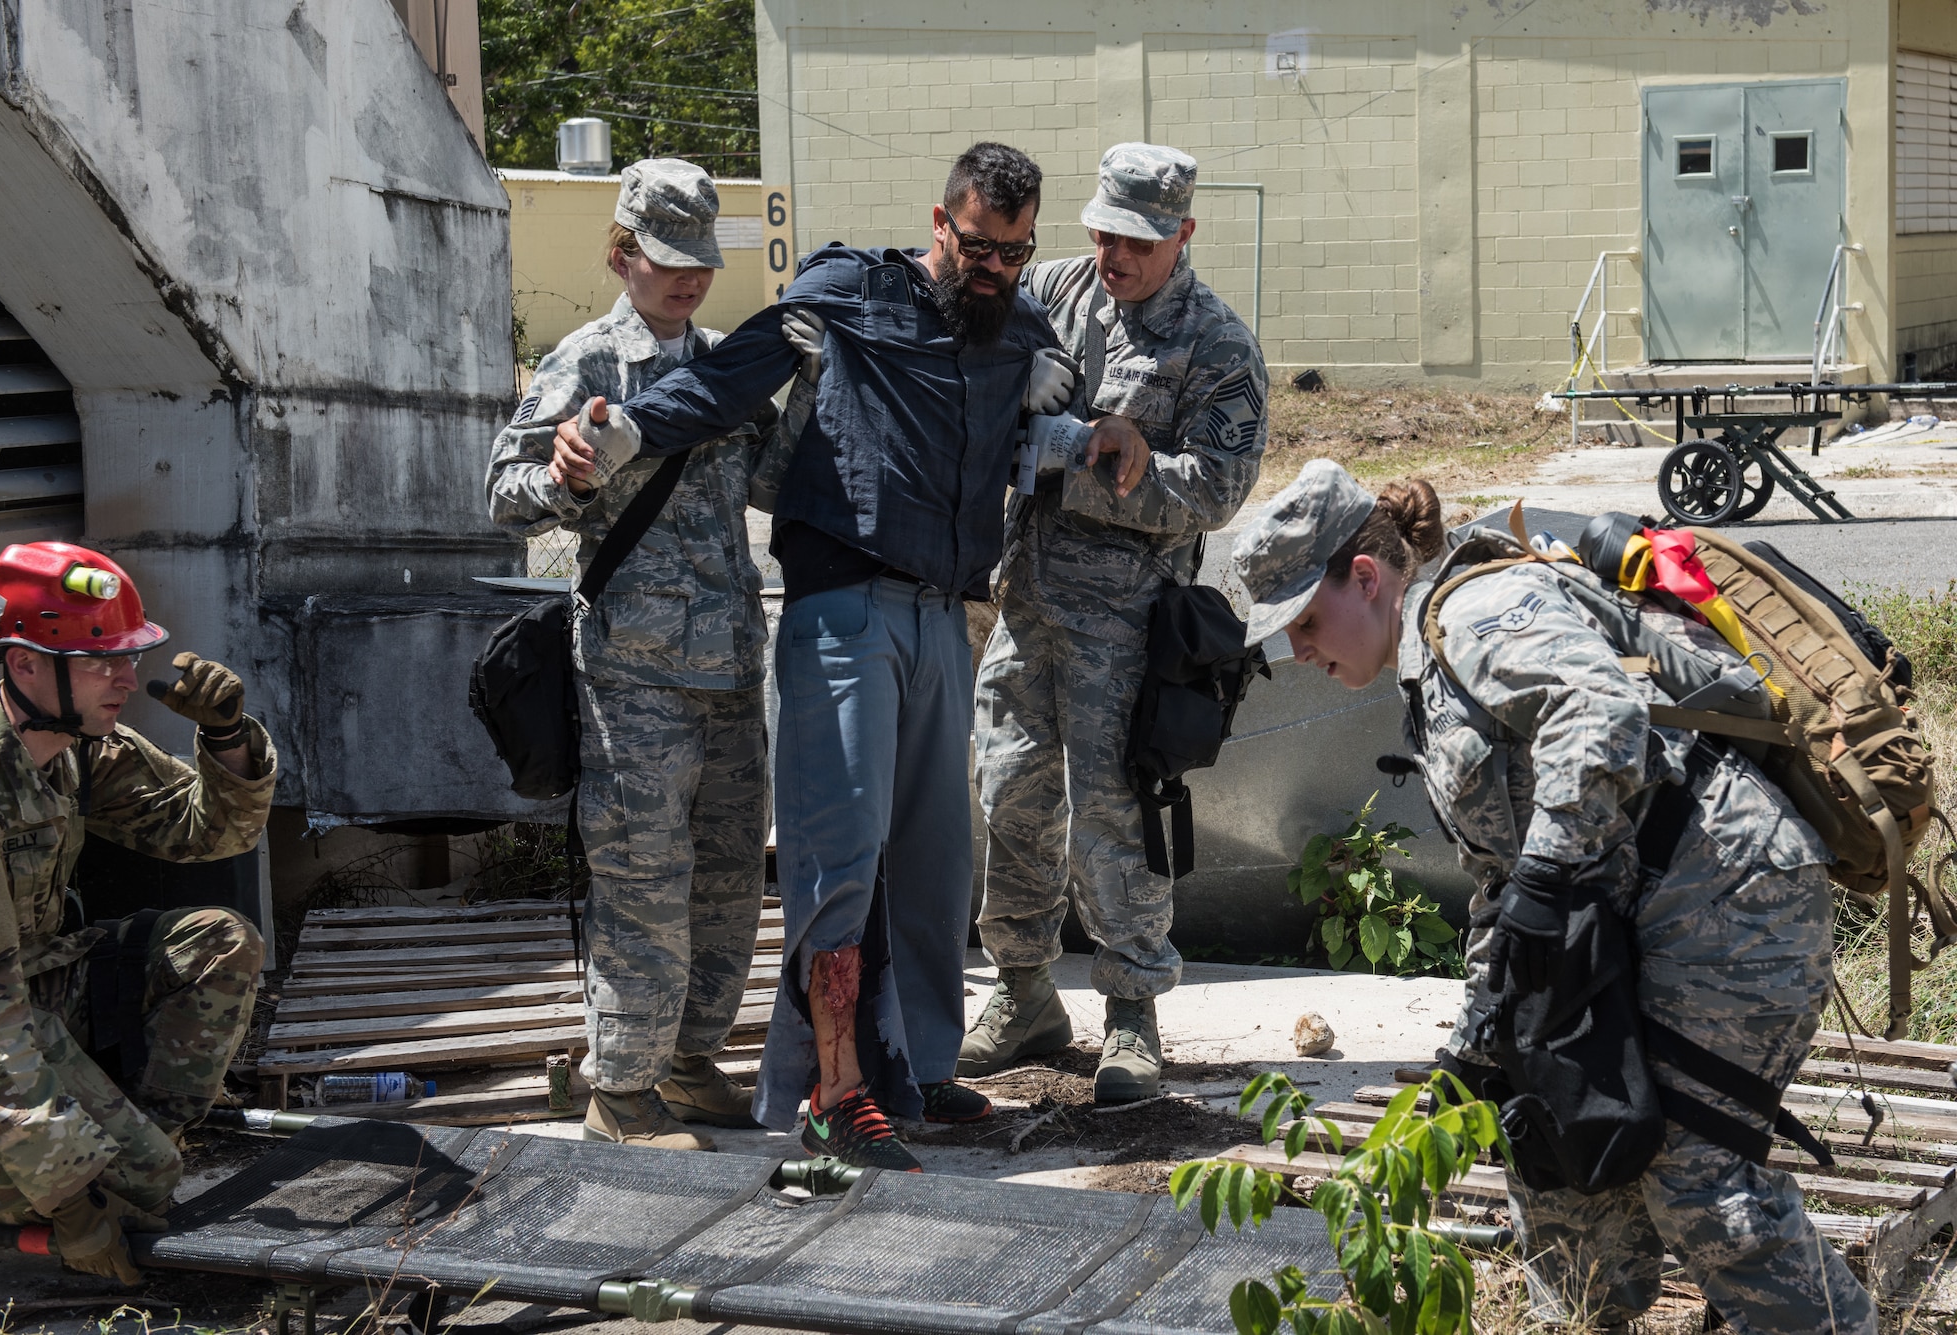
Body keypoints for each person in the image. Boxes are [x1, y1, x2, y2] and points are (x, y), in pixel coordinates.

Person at [560, 141, 1149, 1170]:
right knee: (839, 859)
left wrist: (1098, 427)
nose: (993, 269)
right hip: (841, 613)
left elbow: (1048, 434)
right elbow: (729, 380)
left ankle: (913, 1069)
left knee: (931, 863)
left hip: (944, 617)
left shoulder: (1014, 330)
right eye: (977, 246)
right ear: (938, 222)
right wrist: (620, 436)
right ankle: (834, 1091)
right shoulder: (847, 291)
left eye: (1013, 253)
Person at [1232, 461, 1876, 1332]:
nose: (1300, 650)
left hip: (1733, 902)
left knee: (1698, 1186)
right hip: (1643, 912)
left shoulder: (1475, 612)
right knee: (1548, 1154)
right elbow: (1509, 883)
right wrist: (1476, 1041)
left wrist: (1545, 877)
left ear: (1367, 577)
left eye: (1305, 621)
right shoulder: (1427, 661)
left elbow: (1602, 710)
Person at [488, 159, 807, 1151]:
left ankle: (684, 1058)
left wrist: (808, 393)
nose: (688, 280)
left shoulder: (722, 364)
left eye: (700, 263)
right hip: (632, 680)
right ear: (621, 253)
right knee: (641, 880)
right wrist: (561, 473)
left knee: (722, 881)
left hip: (725, 668)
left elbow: (766, 485)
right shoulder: (587, 362)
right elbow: (501, 490)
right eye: (667, 262)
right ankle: (619, 1094)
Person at [963, 143, 1268, 1101]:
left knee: (1113, 817)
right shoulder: (1054, 288)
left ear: (1183, 232)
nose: (1114, 255)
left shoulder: (1217, 345)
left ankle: (1132, 1013)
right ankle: (1022, 993)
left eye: (1136, 239)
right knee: (1010, 796)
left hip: (1128, 627)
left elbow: (1216, 489)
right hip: (1027, 603)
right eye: (1102, 232)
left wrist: (1109, 460)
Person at [0, 541, 275, 1287]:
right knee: (135, 1176)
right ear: (27, 665)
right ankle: (14, 1178)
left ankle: (128, 1160)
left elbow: (211, 830)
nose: (128, 679)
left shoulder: (75, 749)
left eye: (128, 658)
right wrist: (70, 1202)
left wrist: (226, 737)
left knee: (218, 944)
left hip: (33, 1002)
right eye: (104, 662)